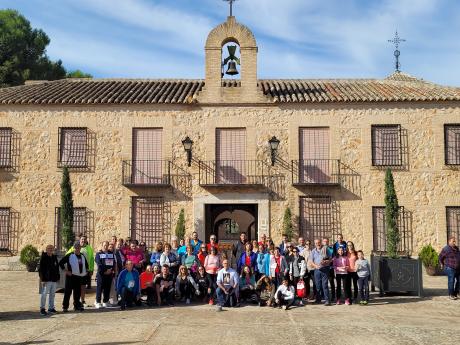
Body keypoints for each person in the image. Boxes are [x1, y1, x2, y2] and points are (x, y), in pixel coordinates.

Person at [59, 241, 89, 312]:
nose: (77, 249)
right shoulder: (69, 255)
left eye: (78, 248)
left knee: (77, 293)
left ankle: (76, 306)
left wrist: (87, 271)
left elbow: (86, 265)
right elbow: (61, 263)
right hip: (71, 277)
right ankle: (65, 307)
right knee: (67, 292)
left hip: (79, 277)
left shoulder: (82, 256)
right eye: (76, 248)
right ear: (73, 248)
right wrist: (66, 271)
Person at [66, 235, 94, 306]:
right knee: (75, 288)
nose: (83, 240)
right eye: (82, 239)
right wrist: (68, 268)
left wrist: (91, 269)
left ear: (86, 240)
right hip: (75, 272)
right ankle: (76, 301)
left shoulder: (89, 248)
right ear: (79, 240)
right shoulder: (75, 247)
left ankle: (83, 300)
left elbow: (91, 260)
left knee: (83, 286)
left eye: (84, 239)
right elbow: (67, 255)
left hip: (85, 271)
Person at [38, 244, 60, 316]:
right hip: (46, 280)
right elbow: (40, 269)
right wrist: (42, 279)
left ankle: (51, 308)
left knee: (52, 294)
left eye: (52, 248)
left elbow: (57, 267)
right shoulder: (44, 257)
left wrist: (58, 277)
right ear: (46, 249)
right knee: (44, 294)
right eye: (49, 248)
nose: (50, 250)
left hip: (53, 279)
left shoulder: (54, 257)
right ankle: (42, 308)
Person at [309, 239, 331, 306]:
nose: (318, 244)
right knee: (318, 286)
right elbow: (311, 261)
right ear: (315, 244)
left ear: (320, 243)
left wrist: (326, 262)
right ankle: (318, 300)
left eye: (318, 243)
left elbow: (330, 259)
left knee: (325, 285)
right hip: (317, 270)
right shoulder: (313, 251)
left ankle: (327, 301)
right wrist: (315, 266)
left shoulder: (326, 249)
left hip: (325, 269)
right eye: (316, 243)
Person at [94, 241, 116, 309]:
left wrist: (111, 270)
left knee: (107, 288)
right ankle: (98, 302)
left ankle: (105, 301)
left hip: (109, 274)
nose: (106, 247)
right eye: (104, 245)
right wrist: (105, 271)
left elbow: (113, 263)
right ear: (102, 246)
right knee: (99, 289)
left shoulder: (111, 254)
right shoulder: (98, 254)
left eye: (107, 245)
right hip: (101, 274)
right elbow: (99, 264)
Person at [322, 237, 336, 302]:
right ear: (322, 242)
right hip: (323, 268)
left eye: (327, 241)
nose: (326, 242)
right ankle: (324, 296)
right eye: (324, 241)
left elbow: (333, 258)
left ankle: (333, 296)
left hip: (330, 268)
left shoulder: (331, 249)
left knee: (331, 282)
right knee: (324, 283)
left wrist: (329, 261)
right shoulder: (321, 249)